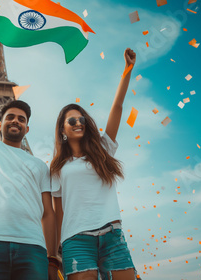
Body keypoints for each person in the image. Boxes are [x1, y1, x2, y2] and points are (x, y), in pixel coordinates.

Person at [0, 29, 58, 280]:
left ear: (27, 128)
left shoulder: (40, 166)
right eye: (10, 117)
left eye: (21, 119)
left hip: (33, 247)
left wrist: (52, 257)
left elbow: (48, 213)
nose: (15, 121)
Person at [50, 48, 137, 280]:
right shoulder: (57, 168)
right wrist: (52, 254)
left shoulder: (103, 150)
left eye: (82, 119)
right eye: (72, 120)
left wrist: (126, 72)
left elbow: (117, 108)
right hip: (76, 240)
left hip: (112, 234)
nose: (78, 122)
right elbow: (58, 214)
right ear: (63, 129)